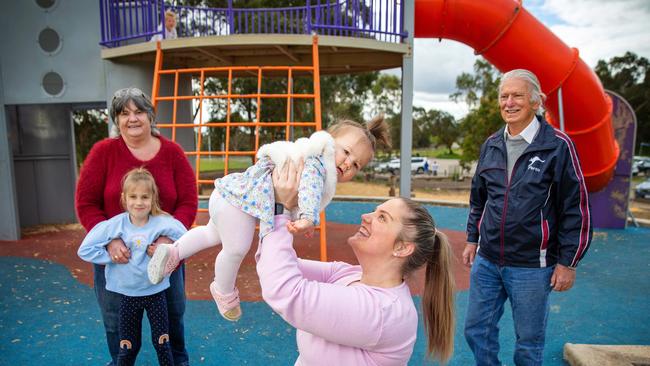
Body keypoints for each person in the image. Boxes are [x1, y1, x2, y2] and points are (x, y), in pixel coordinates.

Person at [148, 116, 391, 322]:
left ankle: (174, 252)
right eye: (346, 152)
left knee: (211, 234)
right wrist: (308, 217)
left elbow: (299, 193)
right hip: (240, 205)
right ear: (328, 140)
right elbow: (308, 188)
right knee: (236, 249)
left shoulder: (307, 154)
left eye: (356, 164)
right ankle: (222, 289)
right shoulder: (318, 162)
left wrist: (301, 218)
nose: (348, 163)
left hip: (228, 193)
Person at [253, 160, 455, 365]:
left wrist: (281, 209)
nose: (366, 216)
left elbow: (285, 290)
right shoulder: (350, 274)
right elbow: (273, 263)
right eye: (375, 212)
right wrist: (290, 208)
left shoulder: (382, 312)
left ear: (402, 247)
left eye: (382, 218)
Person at [462, 69, 592, 366]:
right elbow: (478, 197)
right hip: (488, 260)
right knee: (476, 330)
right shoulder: (491, 144)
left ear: (536, 102)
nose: (509, 102)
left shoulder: (558, 146)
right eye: (503, 96)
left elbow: (576, 208)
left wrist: (568, 262)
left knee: (528, 343)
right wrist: (472, 238)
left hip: (533, 266)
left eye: (517, 95)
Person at [75, 87, 197, 366]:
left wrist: (170, 241)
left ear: (150, 115)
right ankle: (120, 362)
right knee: (114, 319)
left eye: (139, 111)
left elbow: (188, 202)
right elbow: (86, 203)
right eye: (124, 113)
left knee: (173, 314)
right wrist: (109, 241)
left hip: (163, 255)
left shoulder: (173, 153)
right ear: (116, 120)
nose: (132, 118)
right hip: (117, 259)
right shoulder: (103, 152)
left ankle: (178, 362)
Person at [78, 168, 187, 366]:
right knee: (128, 346)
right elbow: (84, 250)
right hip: (127, 296)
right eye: (133, 196)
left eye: (145, 196)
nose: (139, 202)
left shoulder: (162, 223)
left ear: (153, 198)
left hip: (156, 294)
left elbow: (187, 238)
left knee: (162, 343)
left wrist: (168, 248)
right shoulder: (114, 226)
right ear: (124, 198)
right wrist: (111, 255)